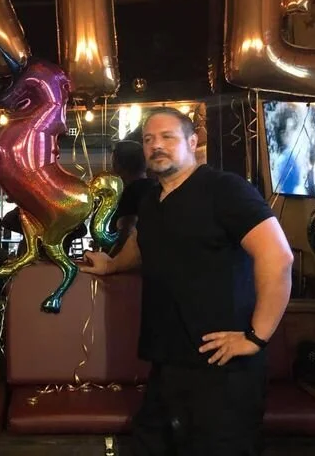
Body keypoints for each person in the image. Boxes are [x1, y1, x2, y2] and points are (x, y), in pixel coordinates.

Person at [81, 106, 293, 456]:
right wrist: (113, 265)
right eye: (149, 139)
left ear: (192, 142)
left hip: (222, 365)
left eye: (167, 137)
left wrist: (257, 337)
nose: (156, 145)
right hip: (167, 361)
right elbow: (143, 243)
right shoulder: (151, 199)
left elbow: (278, 256)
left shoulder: (225, 189)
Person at [107, 140, 154, 257]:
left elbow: (127, 233)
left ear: (118, 165)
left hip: (131, 263)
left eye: (112, 162)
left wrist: (109, 259)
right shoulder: (155, 187)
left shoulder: (132, 192)